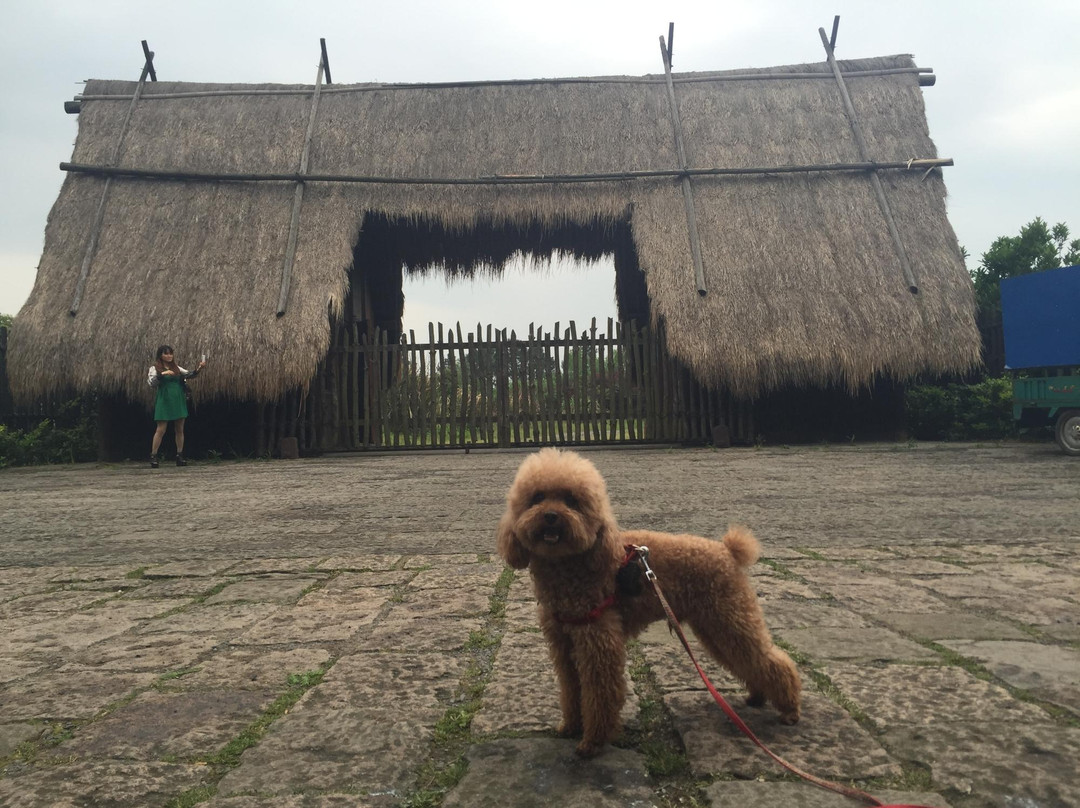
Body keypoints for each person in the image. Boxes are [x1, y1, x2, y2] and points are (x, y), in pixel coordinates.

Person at [148, 345, 206, 468]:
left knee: (179, 428)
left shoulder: (177, 368)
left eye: (170, 353)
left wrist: (199, 368)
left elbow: (189, 374)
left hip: (178, 399)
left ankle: (180, 455)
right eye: (166, 354)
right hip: (164, 399)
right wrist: (163, 374)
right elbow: (151, 383)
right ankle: (154, 455)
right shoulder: (155, 368)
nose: (169, 356)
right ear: (160, 355)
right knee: (161, 429)